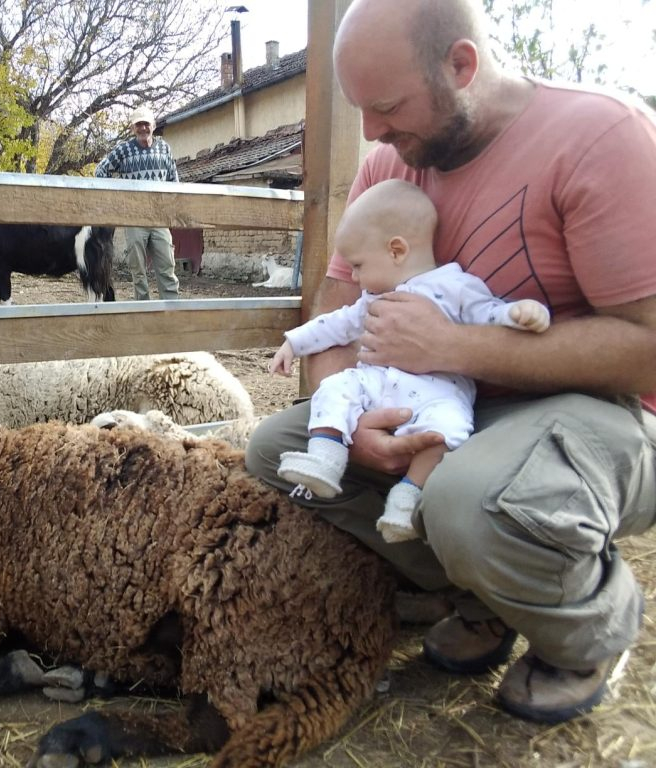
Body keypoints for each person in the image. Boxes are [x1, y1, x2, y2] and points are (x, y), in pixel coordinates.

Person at [245, 0, 656, 726]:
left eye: (387, 105)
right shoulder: (389, 161)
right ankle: (483, 598)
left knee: (464, 497)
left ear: (461, 66)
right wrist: (357, 416)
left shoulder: (603, 136)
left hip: (604, 411)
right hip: (440, 399)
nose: (371, 133)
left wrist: (459, 347)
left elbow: (649, 345)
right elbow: (338, 307)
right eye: (360, 111)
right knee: (279, 448)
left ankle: (593, 628)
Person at [269, 179, 549, 543]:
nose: (353, 276)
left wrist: (518, 314)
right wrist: (294, 343)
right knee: (335, 387)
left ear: (396, 250)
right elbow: (338, 323)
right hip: (377, 384)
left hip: (437, 393)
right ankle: (325, 459)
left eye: (358, 265)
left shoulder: (454, 286)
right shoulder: (374, 298)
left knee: (446, 431)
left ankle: (406, 500)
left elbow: (486, 312)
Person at [95, 107, 180, 300]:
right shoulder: (123, 150)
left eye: (146, 124)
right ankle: (143, 311)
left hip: (159, 220)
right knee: (138, 270)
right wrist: (120, 195)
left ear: (153, 126)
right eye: (138, 124)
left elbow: (173, 182)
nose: (143, 128)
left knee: (167, 268)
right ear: (133, 128)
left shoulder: (164, 148)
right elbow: (100, 171)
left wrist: (171, 211)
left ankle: (172, 313)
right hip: (134, 219)